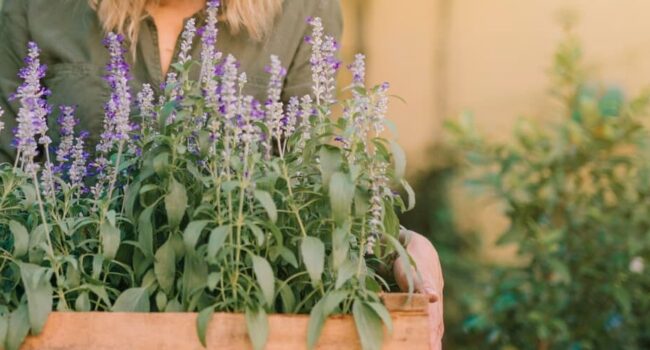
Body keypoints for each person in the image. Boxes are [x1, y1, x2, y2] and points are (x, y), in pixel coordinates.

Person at [0, 0, 444, 347]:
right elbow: (9, 176)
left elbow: (313, 181)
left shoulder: (301, 11)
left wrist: (397, 245)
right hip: (75, 318)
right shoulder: (37, 8)